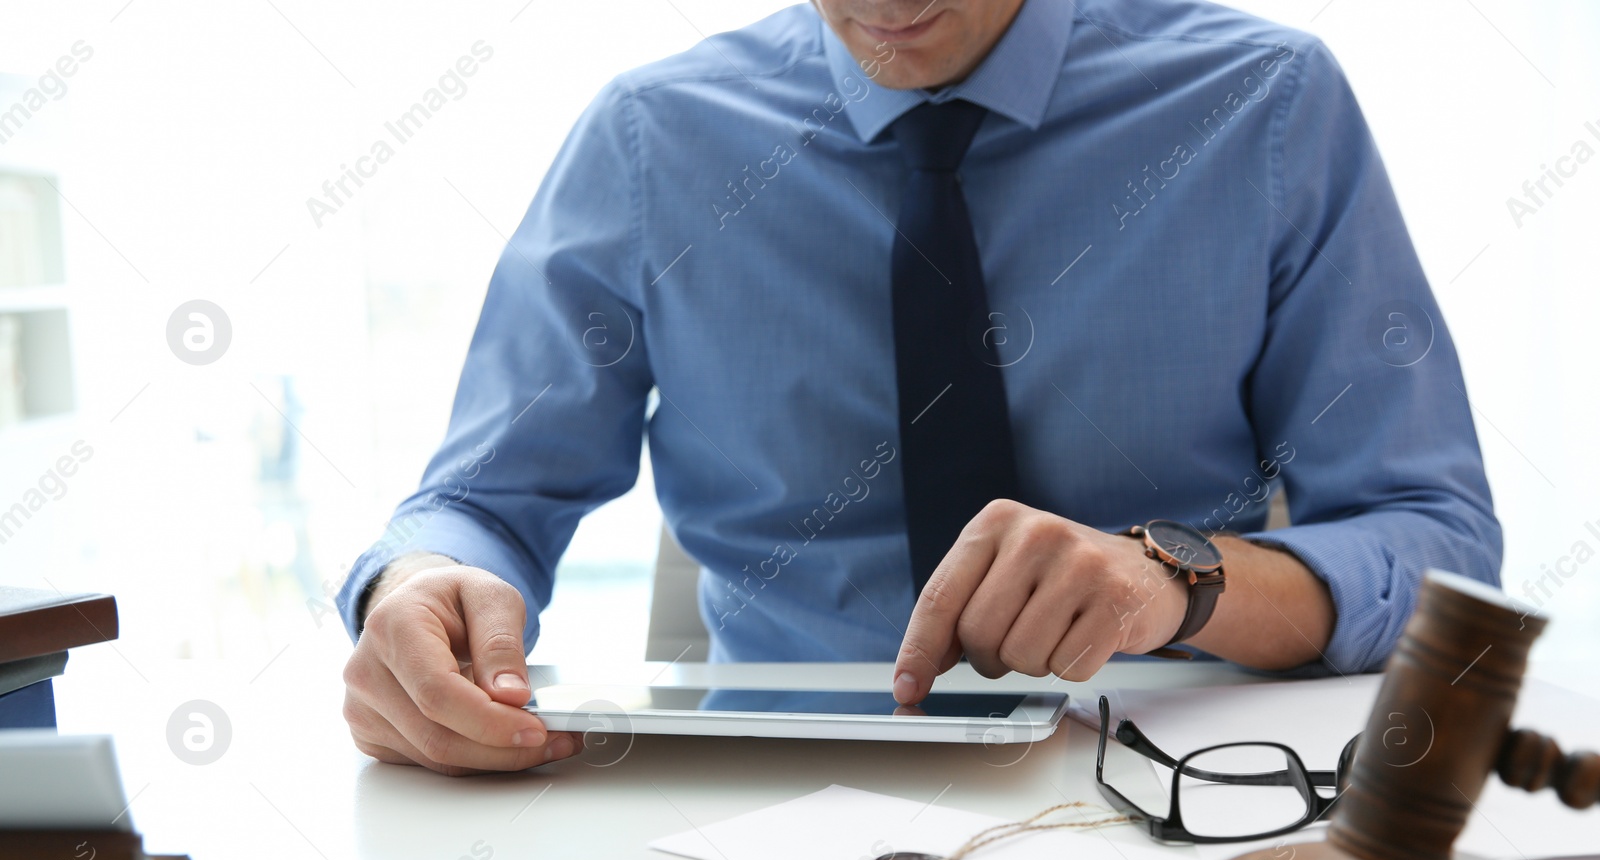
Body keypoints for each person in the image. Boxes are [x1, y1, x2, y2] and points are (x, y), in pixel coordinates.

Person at [336, 0, 1500, 776]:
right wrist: (423, 585)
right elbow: (480, 507)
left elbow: (1440, 550)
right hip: (764, 818)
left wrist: (1176, 578)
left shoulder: (1264, 107)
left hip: (1170, 781)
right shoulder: (652, 142)